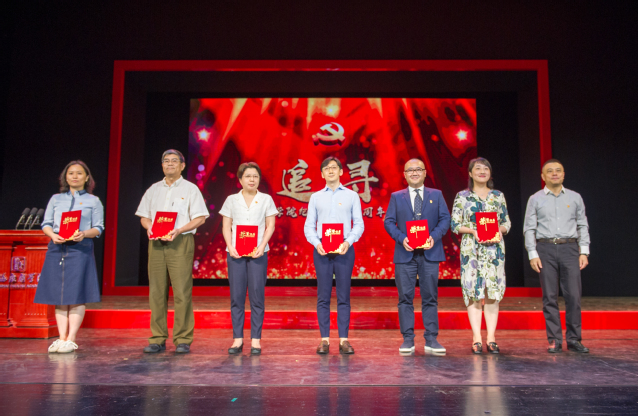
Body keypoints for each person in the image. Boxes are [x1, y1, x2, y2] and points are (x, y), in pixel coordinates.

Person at [136, 149, 209, 354]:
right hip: (156, 242)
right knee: (156, 292)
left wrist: (180, 229)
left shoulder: (190, 189)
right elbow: (144, 216)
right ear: (162, 165)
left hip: (181, 241)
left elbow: (200, 218)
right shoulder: (153, 189)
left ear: (182, 166)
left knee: (182, 291)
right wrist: (149, 227)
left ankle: (183, 339)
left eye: (174, 161)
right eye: (166, 161)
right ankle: (157, 338)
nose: (170, 164)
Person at [35, 160, 104, 353]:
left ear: (86, 177)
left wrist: (84, 234)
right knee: (59, 295)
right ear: (65, 177)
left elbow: (99, 228)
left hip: (80, 248)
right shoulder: (56, 199)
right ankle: (61, 337)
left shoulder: (93, 201)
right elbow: (46, 223)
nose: (75, 176)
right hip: (57, 247)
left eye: (79, 173)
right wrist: (52, 235)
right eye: (71, 173)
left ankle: (71, 339)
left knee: (76, 294)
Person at [383, 158, 451, 354]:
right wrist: (401, 238)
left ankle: (431, 339)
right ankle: (408, 339)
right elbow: (389, 222)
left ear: (425, 173)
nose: (414, 173)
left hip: (430, 253)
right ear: (404, 175)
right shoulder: (397, 197)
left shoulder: (436, 195)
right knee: (405, 298)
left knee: (430, 297)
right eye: (410, 170)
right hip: (405, 253)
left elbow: (445, 219)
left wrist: (433, 237)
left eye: (418, 169)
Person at [524, 159, 590, 353]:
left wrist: (584, 251)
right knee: (550, 296)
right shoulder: (535, 199)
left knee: (573, 296)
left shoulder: (575, 197)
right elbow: (529, 228)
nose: (554, 174)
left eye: (558, 170)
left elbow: (582, 225)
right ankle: (554, 339)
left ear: (563, 174)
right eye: (550, 171)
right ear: (543, 176)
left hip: (570, 248)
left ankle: (574, 339)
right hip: (545, 249)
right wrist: (532, 253)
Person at [304, 156, 364, 355]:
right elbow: (309, 226)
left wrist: (348, 241)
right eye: (326, 168)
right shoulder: (315, 197)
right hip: (322, 249)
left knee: (343, 295)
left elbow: (359, 224)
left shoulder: (352, 196)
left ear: (341, 172)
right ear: (322, 174)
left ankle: (344, 340)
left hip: (344, 249)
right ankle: (324, 340)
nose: (330, 171)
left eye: (334, 167)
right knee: (323, 295)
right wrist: (317, 243)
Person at [450, 157, 511, 354]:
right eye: (478, 168)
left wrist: (499, 230)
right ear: (470, 173)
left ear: (490, 173)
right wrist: (473, 231)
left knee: (492, 293)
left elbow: (507, 222)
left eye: (486, 168)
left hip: (494, 251)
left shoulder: (498, 196)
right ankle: (476, 338)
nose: (482, 171)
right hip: (472, 250)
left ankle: (491, 338)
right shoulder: (462, 197)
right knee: (474, 293)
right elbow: (455, 224)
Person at [220, 162, 277, 355]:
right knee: (236, 297)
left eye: (255, 176)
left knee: (257, 296)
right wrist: (230, 247)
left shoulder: (266, 199)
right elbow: (226, 226)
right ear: (240, 179)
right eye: (248, 176)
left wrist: (261, 246)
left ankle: (255, 340)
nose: (252, 180)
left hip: (258, 254)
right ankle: (237, 339)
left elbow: (270, 225)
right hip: (235, 254)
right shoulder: (231, 200)